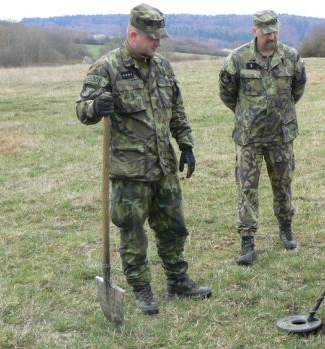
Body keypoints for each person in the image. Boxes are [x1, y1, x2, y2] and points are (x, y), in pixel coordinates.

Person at [76, 3, 211, 315]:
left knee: (174, 227)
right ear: (133, 34)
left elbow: (176, 109)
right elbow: (81, 109)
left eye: (160, 36)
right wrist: (96, 107)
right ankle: (142, 290)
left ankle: (178, 281)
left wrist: (186, 144)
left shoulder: (163, 67)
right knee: (132, 232)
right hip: (130, 171)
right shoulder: (107, 67)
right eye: (152, 37)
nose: (158, 42)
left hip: (164, 164)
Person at [219, 10, 307, 265]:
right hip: (250, 138)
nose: (271, 35)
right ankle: (247, 241)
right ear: (255, 30)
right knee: (247, 189)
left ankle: (286, 227)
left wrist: (282, 112)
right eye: (266, 31)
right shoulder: (238, 58)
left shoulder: (290, 56)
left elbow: (298, 87)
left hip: (281, 135)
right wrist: (246, 114)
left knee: (283, 184)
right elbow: (227, 92)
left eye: (274, 30)